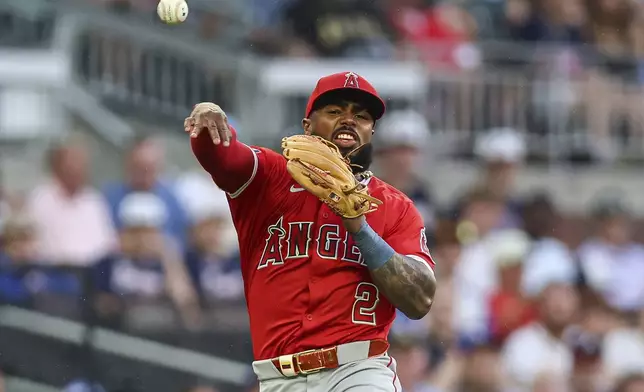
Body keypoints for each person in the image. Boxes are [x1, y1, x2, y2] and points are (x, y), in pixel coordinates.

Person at [184, 71, 437, 391]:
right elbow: (222, 156)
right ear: (307, 126)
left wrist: (360, 229)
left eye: (361, 116)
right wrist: (209, 120)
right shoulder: (270, 177)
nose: (349, 120)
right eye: (334, 111)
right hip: (278, 377)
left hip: (357, 370)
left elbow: (420, 299)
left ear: (372, 131)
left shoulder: (395, 207)